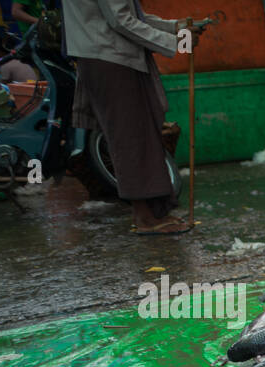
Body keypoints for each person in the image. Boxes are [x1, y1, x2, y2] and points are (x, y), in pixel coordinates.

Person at [62, 0, 207, 234]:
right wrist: (175, 41)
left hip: (108, 55)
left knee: (137, 133)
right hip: (111, 56)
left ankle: (150, 211)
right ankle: (145, 217)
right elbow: (121, 21)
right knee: (130, 136)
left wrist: (174, 27)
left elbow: (129, 15)